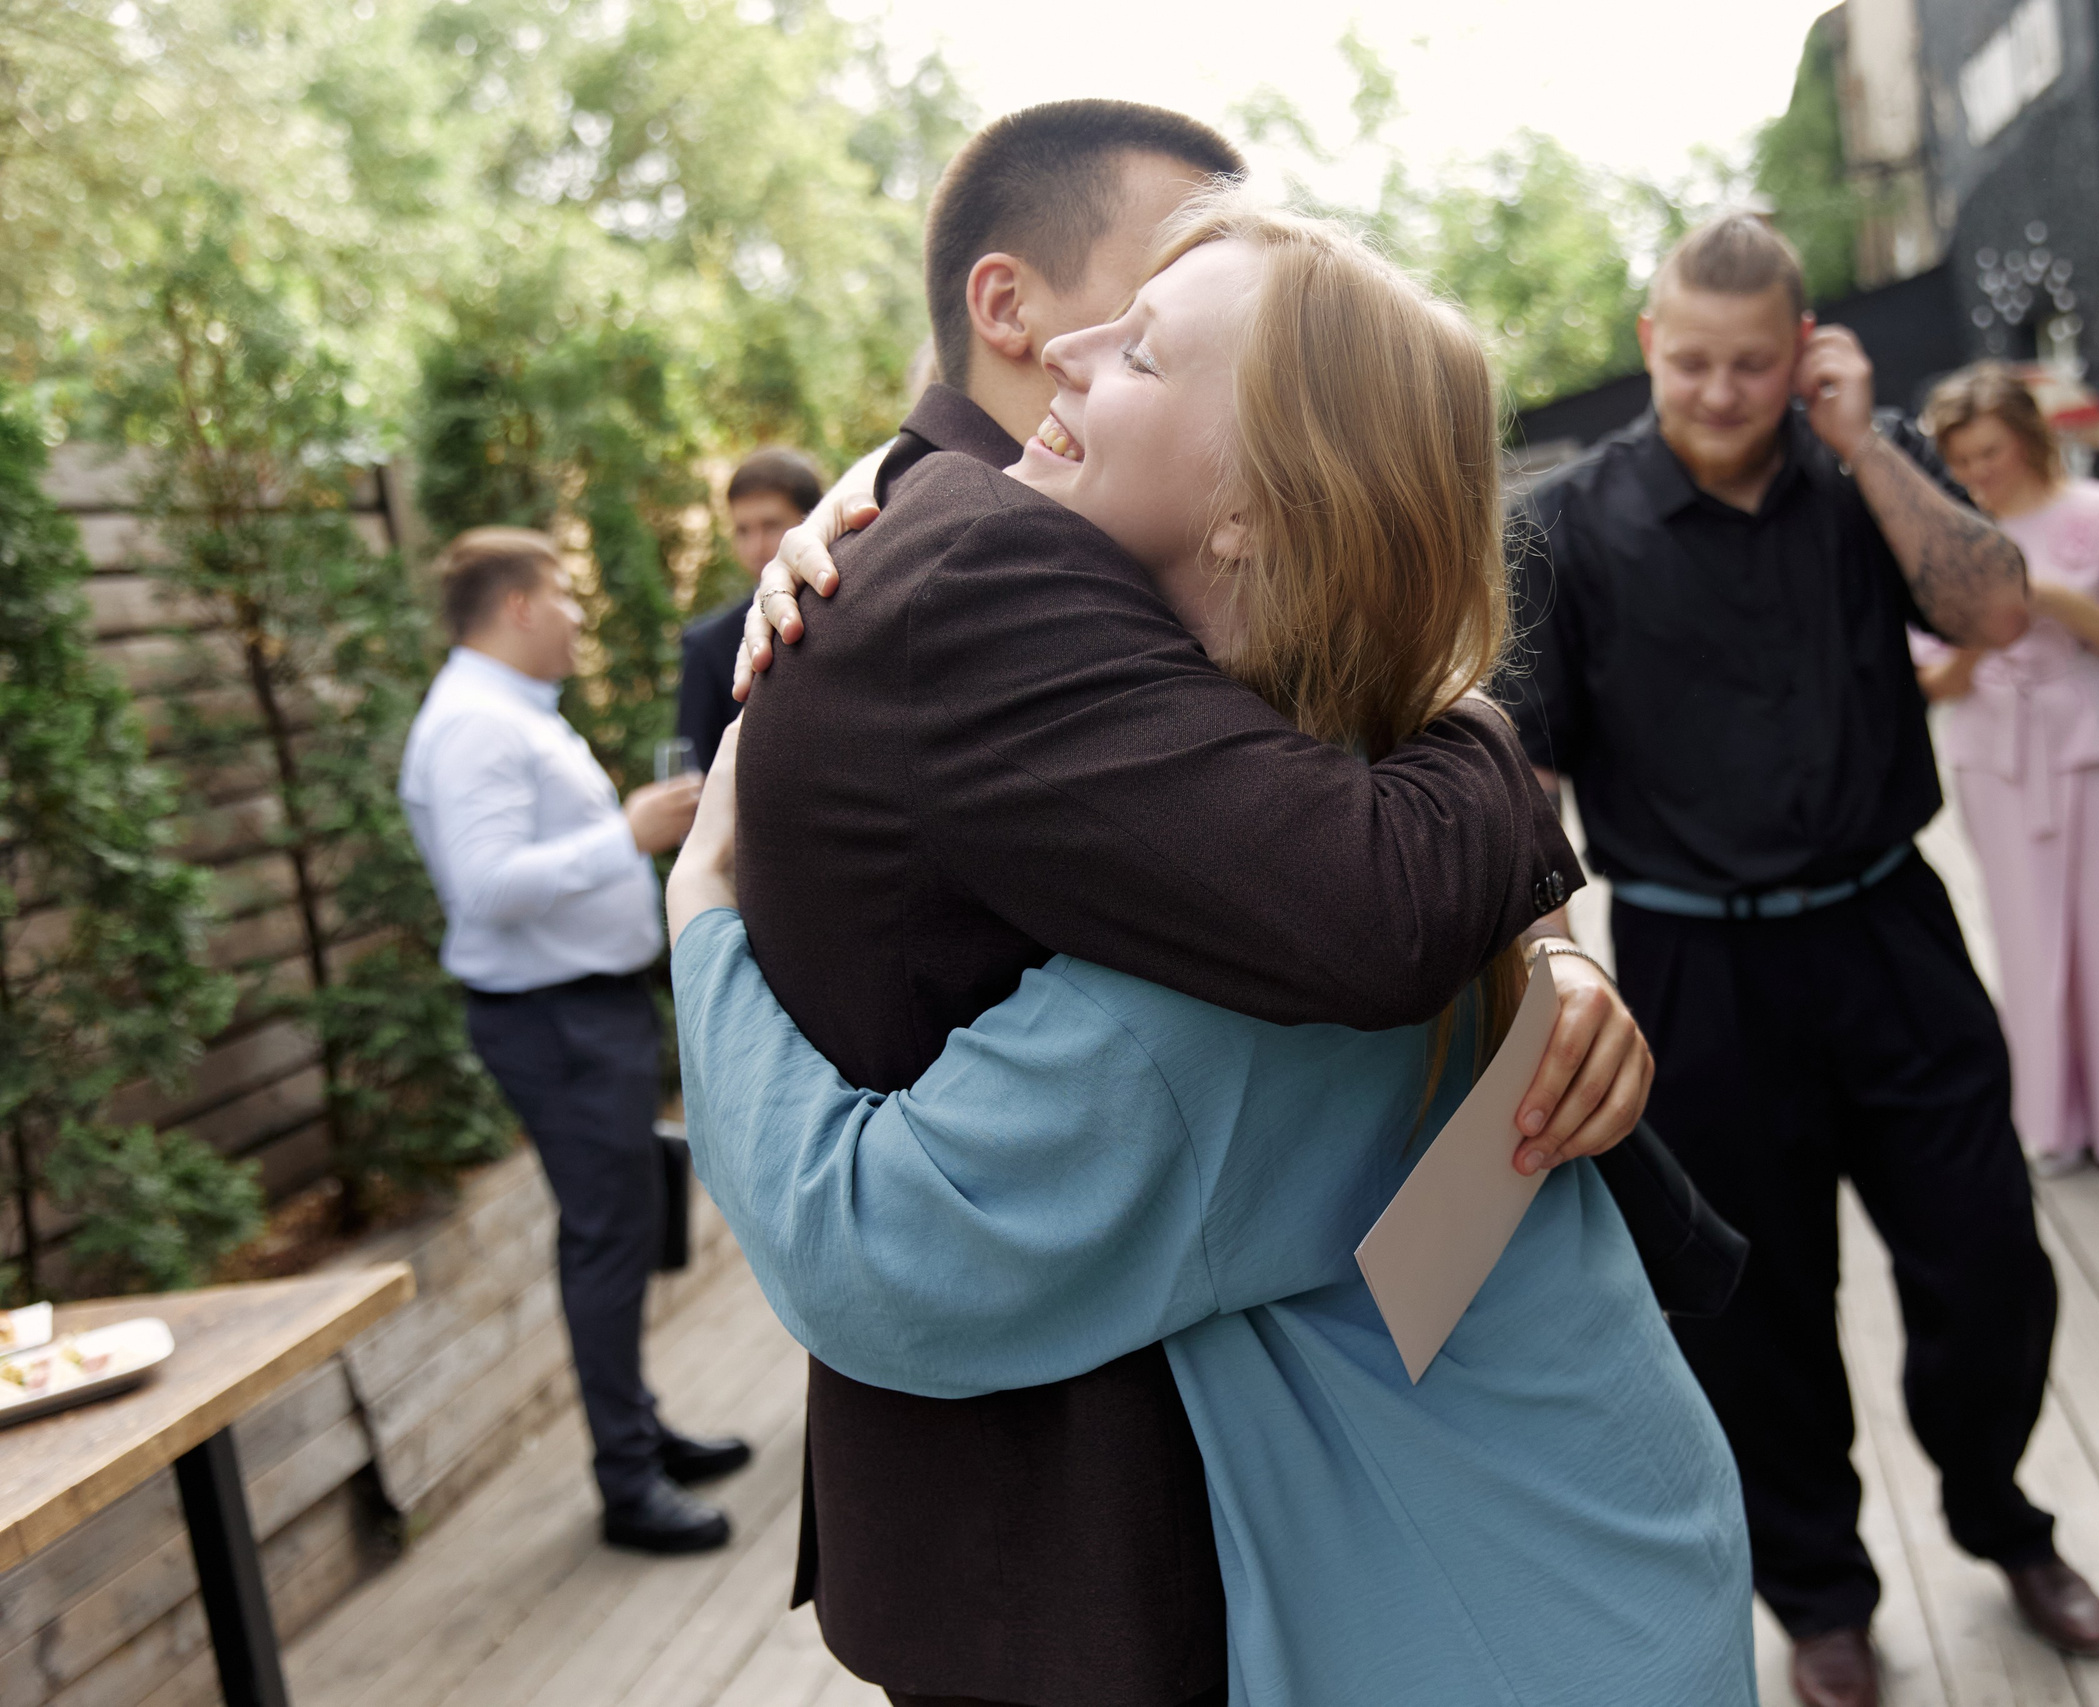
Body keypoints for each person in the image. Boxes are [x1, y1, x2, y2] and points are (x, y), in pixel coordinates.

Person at [671, 195, 1755, 1706]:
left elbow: (865, 1249)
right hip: (1614, 1572)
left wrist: (701, 911)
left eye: (1146, 353)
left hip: (1509, 1636)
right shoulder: (1368, 794)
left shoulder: (1223, 992)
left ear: (1252, 504)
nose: (1062, 349)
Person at [1506, 213, 2099, 1707]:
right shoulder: (1564, 523)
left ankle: (1997, 1511)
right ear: (1653, 344)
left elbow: (1995, 608)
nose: (1720, 391)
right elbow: (1523, 770)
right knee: (1760, 1318)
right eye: (1693, 360)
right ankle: (1822, 1596)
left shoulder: (1867, 465)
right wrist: (1552, 954)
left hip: (1890, 929)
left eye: (1754, 363)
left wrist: (1869, 444)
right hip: (1697, 965)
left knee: (1987, 1262)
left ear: (1806, 353)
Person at [396, 528, 751, 1555]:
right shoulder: (472, 726)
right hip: (555, 1020)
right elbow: (485, 887)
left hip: (584, 1013)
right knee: (607, 1237)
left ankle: (637, 1432)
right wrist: (629, 835)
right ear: (515, 606)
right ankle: (628, 1485)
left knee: (623, 1228)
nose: (580, 619)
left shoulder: (505, 712)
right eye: (565, 598)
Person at [1913, 362, 2099, 1175]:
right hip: (1994, 750)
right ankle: (2049, 1126)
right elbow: (1932, 679)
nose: (1975, 475)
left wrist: (2051, 598)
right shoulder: (1940, 533)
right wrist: (1981, 628)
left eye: (1990, 453)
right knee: (2026, 936)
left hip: (2094, 740)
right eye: (1960, 460)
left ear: (2030, 439)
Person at [672, 447, 823, 773]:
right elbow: (697, 775)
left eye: (770, 526)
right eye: (742, 530)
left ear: (813, 520)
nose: (756, 547)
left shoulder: (857, 609)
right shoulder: (707, 646)